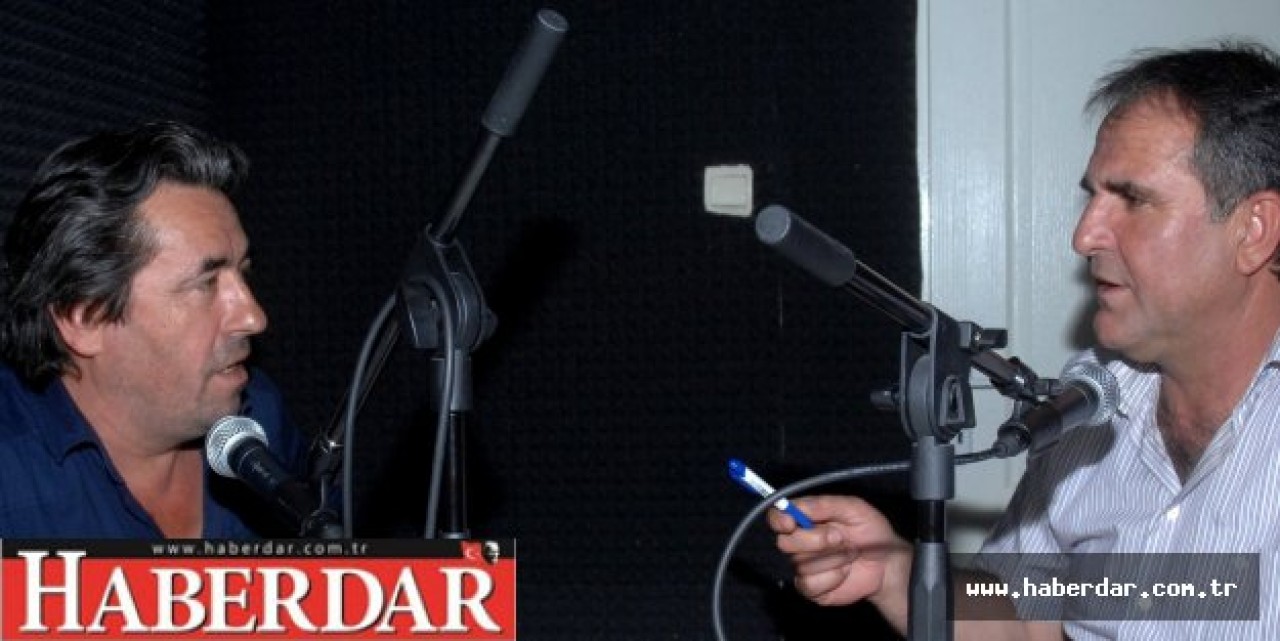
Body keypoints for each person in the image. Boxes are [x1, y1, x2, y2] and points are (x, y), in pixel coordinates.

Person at [770, 42, 1280, 639]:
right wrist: (893, 572)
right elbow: (1028, 613)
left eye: (1133, 199)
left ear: (1254, 230)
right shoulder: (1093, 397)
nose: (1084, 235)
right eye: (1093, 197)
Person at [0, 121, 309, 538]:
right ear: (85, 318)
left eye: (244, 273)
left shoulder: (260, 411)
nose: (254, 317)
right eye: (206, 284)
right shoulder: (12, 475)